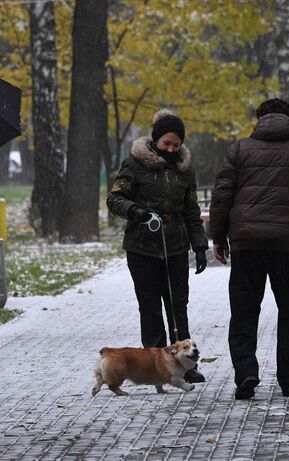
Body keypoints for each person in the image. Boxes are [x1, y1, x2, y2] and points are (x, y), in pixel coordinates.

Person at [209, 98, 289, 399]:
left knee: (244, 310)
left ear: (259, 118)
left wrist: (218, 237)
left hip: (247, 240)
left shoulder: (239, 149)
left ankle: (246, 373)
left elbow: (223, 194)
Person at [106, 109, 209, 384]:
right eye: (167, 144)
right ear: (156, 140)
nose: (171, 149)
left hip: (175, 246)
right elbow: (115, 199)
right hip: (143, 247)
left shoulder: (184, 169)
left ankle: (185, 364)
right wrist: (136, 212)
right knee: (150, 307)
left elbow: (191, 209)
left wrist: (200, 245)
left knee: (178, 306)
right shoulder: (134, 164)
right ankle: (156, 366)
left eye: (176, 145)